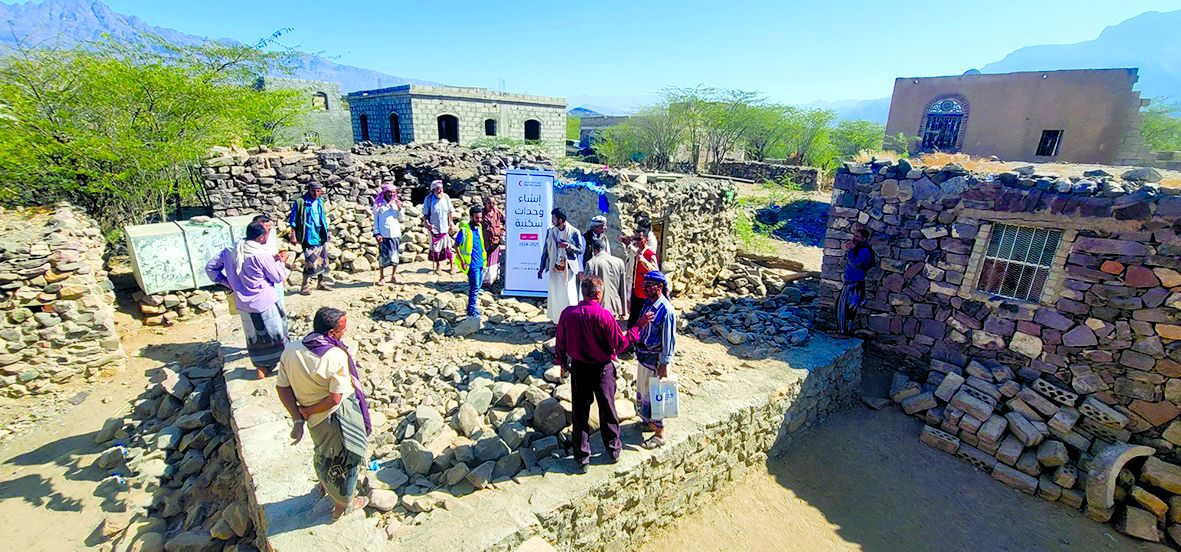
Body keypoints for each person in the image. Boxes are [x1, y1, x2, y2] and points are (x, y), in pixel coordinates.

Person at [275, 307, 372, 521]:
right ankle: (343, 504)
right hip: (335, 416)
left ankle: (323, 484)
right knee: (347, 458)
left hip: (314, 420)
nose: (344, 332)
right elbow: (335, 398)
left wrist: (298, 416)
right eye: (342, 329)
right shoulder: (335, 355)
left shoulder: (291, 349)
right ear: (331, 333)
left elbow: (282, 387)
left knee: (322, 451)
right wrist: (307, 411)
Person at [554, 276, 654, 472]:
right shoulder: (604, 316)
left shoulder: (567, 314)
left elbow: (560, 342)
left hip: (579, 368)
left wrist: (562, 363)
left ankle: (581, 457)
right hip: (602, 369)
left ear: (583, 292)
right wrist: (638, 326)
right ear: (598, 293)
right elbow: (620, 344)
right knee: (607, 408)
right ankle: (613, 449)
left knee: (580, 412)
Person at [206, 221, 290, 379]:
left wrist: (228, 283)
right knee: (277, 334)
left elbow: (210, 268)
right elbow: (278, 276)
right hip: (265, 301)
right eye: (266, 234)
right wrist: (282, 263)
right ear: (260, 238)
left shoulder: (231, 251)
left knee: (254, 337)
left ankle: (260, 368)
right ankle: (285, 365)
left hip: (243, 303)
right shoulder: (260, 255)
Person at [634, 270, 676, 449]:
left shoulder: (666, 310)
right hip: (644, 356)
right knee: (644, 391)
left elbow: (669, 339)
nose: (644, 288)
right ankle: (648, 421)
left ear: (659, 287)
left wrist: (664, 364)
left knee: (657, 395)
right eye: (644, 285)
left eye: (648, 285)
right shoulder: (648, 304)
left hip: (656, 360)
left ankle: (660, 434)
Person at [537, 208, 584, 323]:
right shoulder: (550, 231)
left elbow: (580, 250)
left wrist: (568, 246)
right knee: (556, 296)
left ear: (561, 220)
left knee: (569, 296)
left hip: (568, 270)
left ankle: (571, 320)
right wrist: (541, 268)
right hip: (555, 268)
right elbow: (545, 251)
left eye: (554, 218)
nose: (552, 221)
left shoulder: (574, 232)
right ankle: (557, 321)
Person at [288, 182, 332, 295]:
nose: (316, 193)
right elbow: (293, 220)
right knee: (310, 261)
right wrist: (293, 235)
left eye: (318, 191)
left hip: (320, 234)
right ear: (309, 190)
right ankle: (304, 286)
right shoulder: (300, 202)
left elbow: (322, 218)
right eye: (314, 191)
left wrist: (327, 231)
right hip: (308, 236)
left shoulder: (320, 201)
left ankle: (320, 283)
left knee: (322, 259)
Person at [620, 222, 659, 328]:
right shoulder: (636, 252)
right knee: (633, 315)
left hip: (646, 291)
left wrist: (644, 262)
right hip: (635, 289)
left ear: (645, 240)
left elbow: (656, 272)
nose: (636, 242)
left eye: (639, 239)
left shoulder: (650, 255)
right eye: (635, 239)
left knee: (644, 317)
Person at [837, 228, 875, 335]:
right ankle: (842, 331)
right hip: (850, 282)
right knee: (843, 307)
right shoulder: (858, 249)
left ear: (864, 238)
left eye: (857, 236)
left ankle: (844, 332)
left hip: (855, 283)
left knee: (847, 308)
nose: (854, 238)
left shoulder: (864, 251)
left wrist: (850, 251)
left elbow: (855, 264)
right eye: (855, 235)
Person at [454, 205, 487, 318]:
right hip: (471, 263)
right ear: (471, 217)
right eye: (477, 218)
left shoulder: (479, 227)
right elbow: (456, 245)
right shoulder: (465, 230)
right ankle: (471, 311)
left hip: (480, 262)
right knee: (475, 287)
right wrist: (462, 260)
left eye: (480, 218)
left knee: (478, 286)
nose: (479, 220)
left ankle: (471, 308)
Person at [583, 240, 626, 319]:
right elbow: (623, 287)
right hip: (616, 306)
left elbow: (586, 288)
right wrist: (624, 309)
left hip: (598, 308)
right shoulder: (619, 262)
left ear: (594, 250)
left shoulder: (591, 263)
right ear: (605, 248)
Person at [372, 182, 405, 285]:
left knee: (395, 256)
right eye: (389, 192)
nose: (391, 194)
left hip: (395, 233)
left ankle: (393, 276)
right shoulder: (378, 204)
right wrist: (377, 233)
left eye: (393, 192)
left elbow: (401, 219)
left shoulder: (397, 203)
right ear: (385, 193)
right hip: (383, 234)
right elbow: (375, 220)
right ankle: (381, 277)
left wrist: (400, 209)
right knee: (383, 257)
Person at [253, 214, 286, 310]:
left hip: (275, 276)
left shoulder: (270, 236)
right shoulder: (251, 245)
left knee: (280, 306)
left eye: (270, 228)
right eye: (267, 228)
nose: (269, 231)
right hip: (263, 283)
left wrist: (277, 258)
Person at [423, 180, 455, 274]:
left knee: (448, 247)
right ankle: (438, 266)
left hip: (445, 227)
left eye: (441, 188)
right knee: (436, 248)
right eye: (437, 189)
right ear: (433, 190)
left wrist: (451, 223)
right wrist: (427, 223)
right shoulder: (428, 199)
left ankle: (452, 266)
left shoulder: (446, 197)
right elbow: (426, 214)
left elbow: (450, 211)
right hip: (434, 228)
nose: (440, 191)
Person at [480, 196, 506, 287]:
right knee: (484, 261)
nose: (491, 205)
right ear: (485, 203)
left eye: (493, 203)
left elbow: (506, 221)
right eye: (489, 203)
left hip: (495, 241)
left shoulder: (497, 212)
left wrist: (502, 231)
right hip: (484, 241)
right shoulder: (482, 213)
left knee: (493, 262)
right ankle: (483, 281)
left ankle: (491, 280)